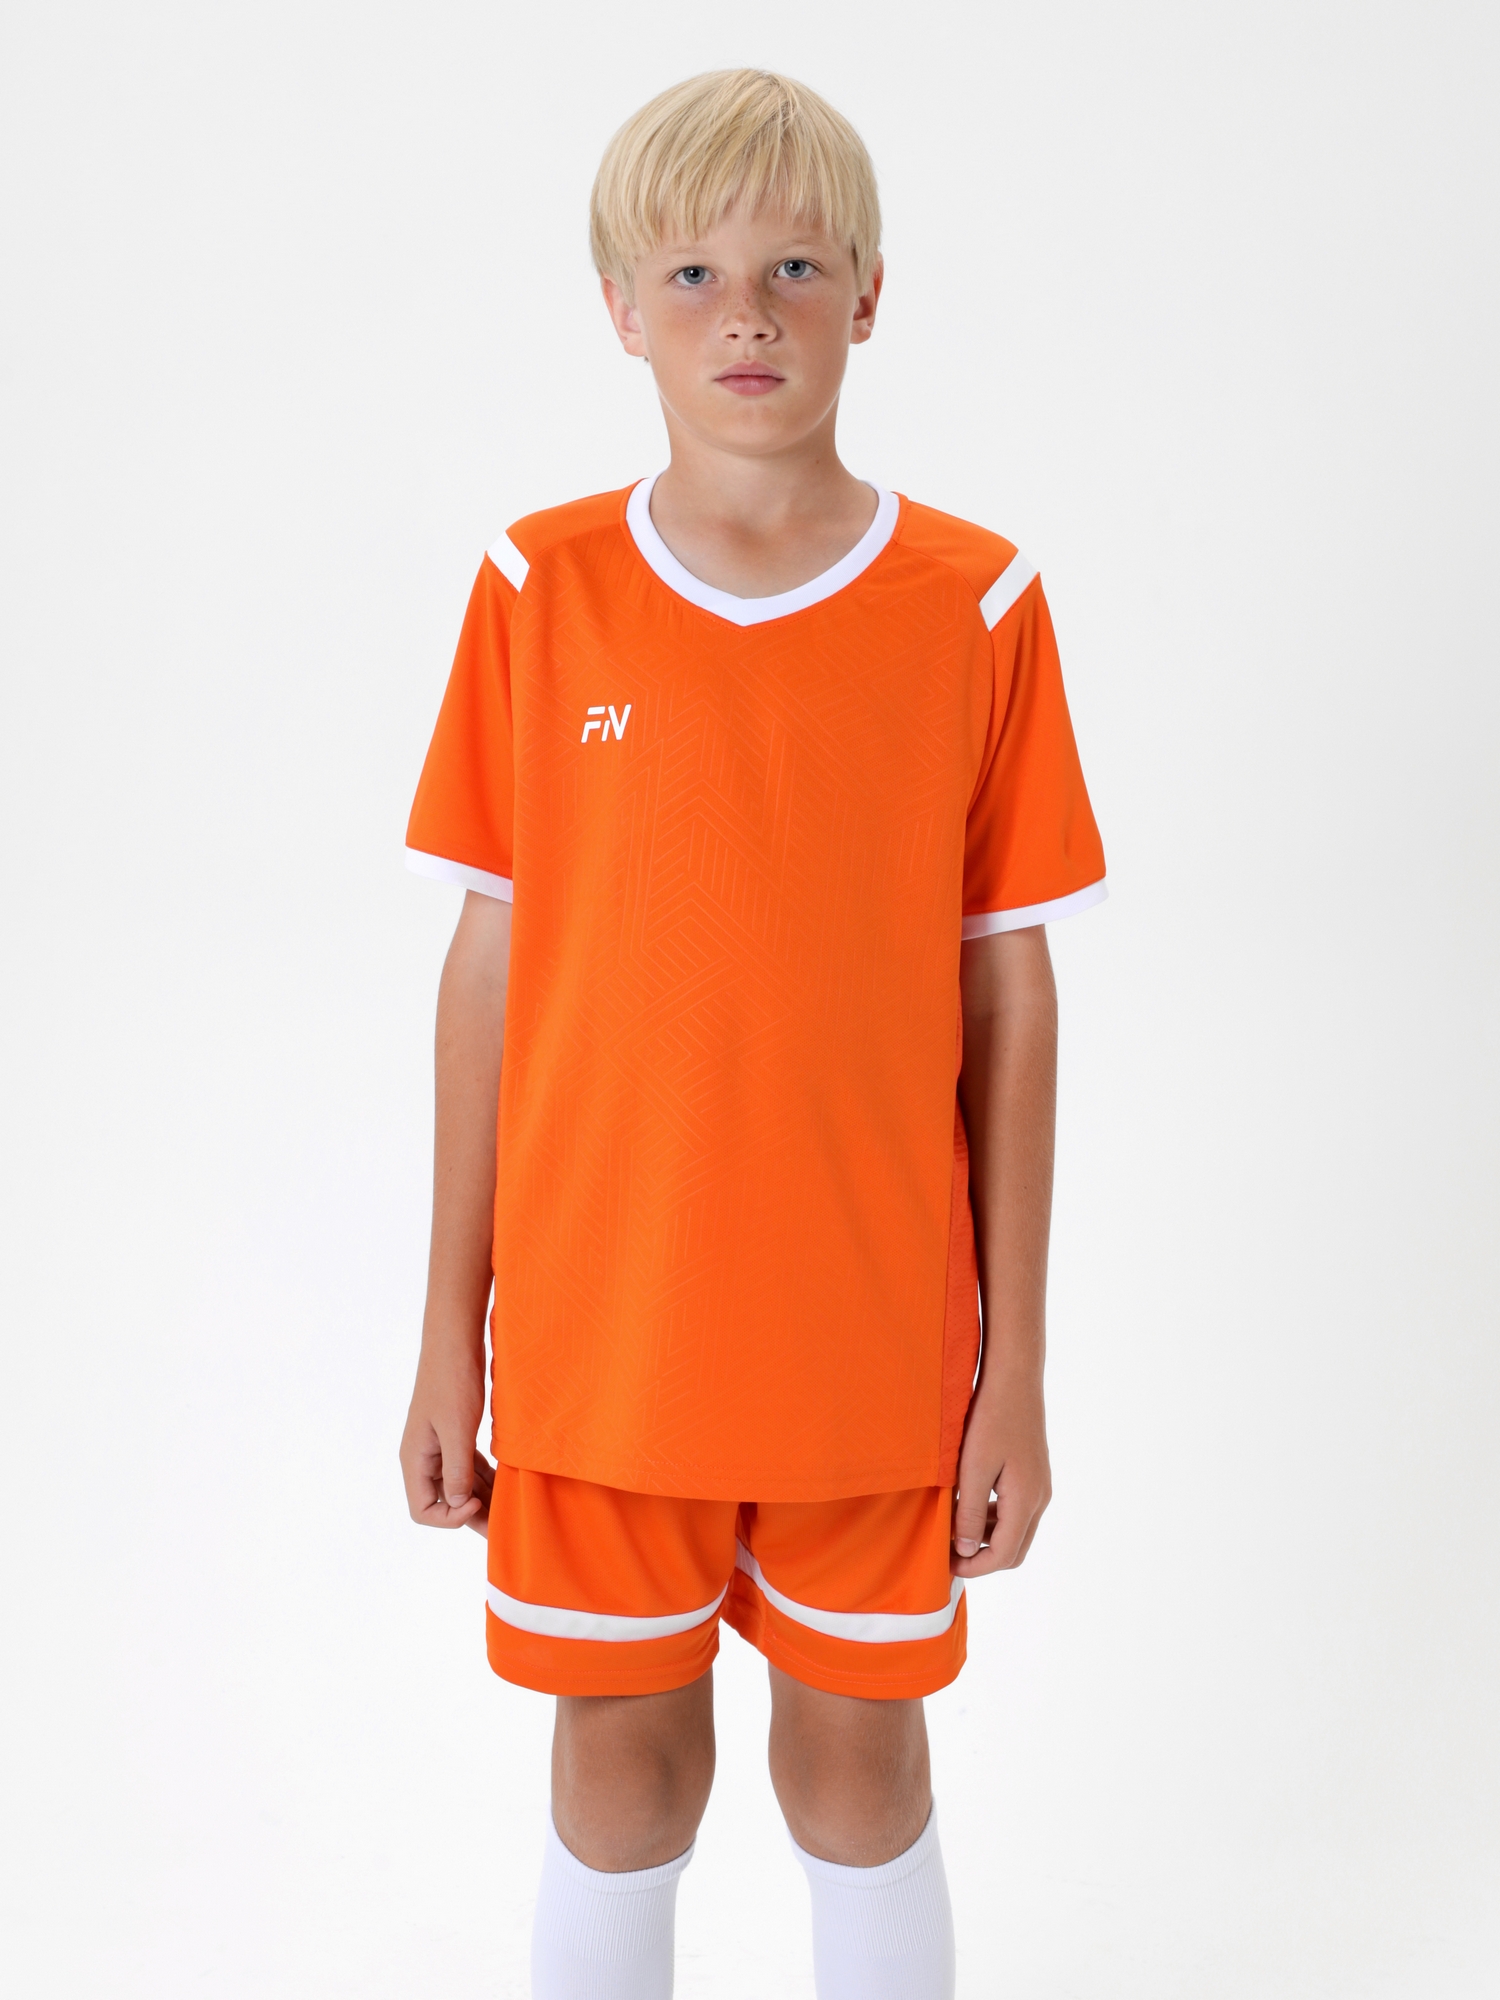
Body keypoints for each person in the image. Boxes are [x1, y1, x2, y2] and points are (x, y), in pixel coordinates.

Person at [398, 67, 1106, 2000]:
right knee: (620, 1768)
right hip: (600, 1334)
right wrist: (449, 1324)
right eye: (694, 272)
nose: (749, 314)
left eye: (797, 267)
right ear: (620, 309)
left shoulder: (977, 603)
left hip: (871, 1340)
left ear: (869, 295)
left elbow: (1008, 990)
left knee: (858, 1767)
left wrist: (1018, 1371)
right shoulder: (540, 587)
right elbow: (487, 970)